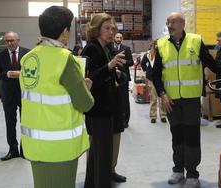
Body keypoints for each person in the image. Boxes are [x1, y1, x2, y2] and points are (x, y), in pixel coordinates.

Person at [151, 12, 221, 188]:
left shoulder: (195, 41)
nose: (170, 25)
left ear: (182, 24)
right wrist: (162, 94)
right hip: (171, 99)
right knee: (177, 135)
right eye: (168, 22)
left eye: (173, 22)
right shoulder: (161, 43)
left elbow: (210, 62)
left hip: (191, 100)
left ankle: (193, 174)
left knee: (192, 136)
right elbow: (155, 74)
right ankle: (178, 170)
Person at [19, 6, 94, 188]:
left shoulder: (28, 58)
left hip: (34, 144)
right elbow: (85, 103)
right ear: (65, 32)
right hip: (59, 148)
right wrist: (86, 87)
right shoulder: (65, 60)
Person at [82, 13, 126, 188]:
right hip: (98, 109)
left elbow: (106, 75)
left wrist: (115, 73)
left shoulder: (105, 48)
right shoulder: (91, 49)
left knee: (98, 155)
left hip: (107, 107)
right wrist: (109, 66)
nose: (111, 32)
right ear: (96, 29)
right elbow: (89, 79)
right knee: (101, 155)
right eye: (106, 28)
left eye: (112, 29)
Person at [0, 31, 30, 161]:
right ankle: (13, 150)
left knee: (25, 123)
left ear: (18, 40)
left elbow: (35, 72)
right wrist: (8, 74)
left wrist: (23, 73)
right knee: (10, 123)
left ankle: (24, 150)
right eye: (7, 41)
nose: (10, 43)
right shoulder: (0, 55)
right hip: (8, 94)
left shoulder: (28, 53)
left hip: (24, 94)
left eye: (12, 40)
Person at [141, 41, 166, 124]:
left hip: (161, 78)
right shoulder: (148, 55)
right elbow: (142, 63)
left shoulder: (163, 54)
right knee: (153, 98)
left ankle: (163, 115)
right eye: (155, 45)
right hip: (151, 79)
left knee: (162, 98)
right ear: (152, 46)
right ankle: (153, 116)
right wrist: (147, 71)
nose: (156, 47)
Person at [112, 32, 134, 128]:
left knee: (124, 100)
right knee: (114, 99)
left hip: (124, 78)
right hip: (112, 77)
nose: (119, 39)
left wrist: (125, 61)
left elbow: (131, 63)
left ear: (122, 39)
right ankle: (116, 120)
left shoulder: (126, 49)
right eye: (117, 37)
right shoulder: (110, 48)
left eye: (120, 37)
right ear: (114, 38)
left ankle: (125, 121)